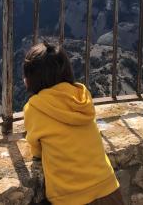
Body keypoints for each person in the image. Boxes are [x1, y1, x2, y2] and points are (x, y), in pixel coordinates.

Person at [23, 42, 124, 205]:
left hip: (70, 197)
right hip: (109, 189)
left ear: (32, 78)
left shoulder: (34, 108)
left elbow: (36, 151)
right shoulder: (82, 97)